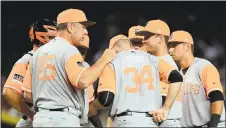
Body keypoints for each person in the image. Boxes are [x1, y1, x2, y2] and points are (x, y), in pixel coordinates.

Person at [21, 8, 115, 127]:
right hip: (63, 119)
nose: (86, 32)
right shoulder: (69, 50)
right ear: (70, 27)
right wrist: (104, 59)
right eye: (83, 27)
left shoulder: (39, 52)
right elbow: (83, 80)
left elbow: (27, 94)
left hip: (40, 119)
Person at [94, 34, 183, 127]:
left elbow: (106, 99)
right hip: (150, 122)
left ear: (111, 50)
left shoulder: (112, 63)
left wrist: (93, 106)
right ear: (131, 46)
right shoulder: (154, 59)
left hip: (125, 120)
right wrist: (166, 108)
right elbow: (177, 77)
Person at [3, 19, 57, 127]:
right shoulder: (28, 59)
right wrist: (32, 115)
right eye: (52, 38)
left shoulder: (53, 59)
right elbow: (9, 92)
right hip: (37, 118)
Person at [168, 30, 225, 127]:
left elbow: (217, 96)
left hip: (211, 125)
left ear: (187, 46)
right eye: (169, 46)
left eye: (174, 45)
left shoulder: (203, 66)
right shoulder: (175, 75)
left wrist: (213, 124)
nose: (170, 50)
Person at [136, 19, 182, 127]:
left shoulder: (165, 62)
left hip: (167, 122)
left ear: (160, 38)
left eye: (147, 36)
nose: (143, 40)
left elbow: (162, 97)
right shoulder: (157, 61)